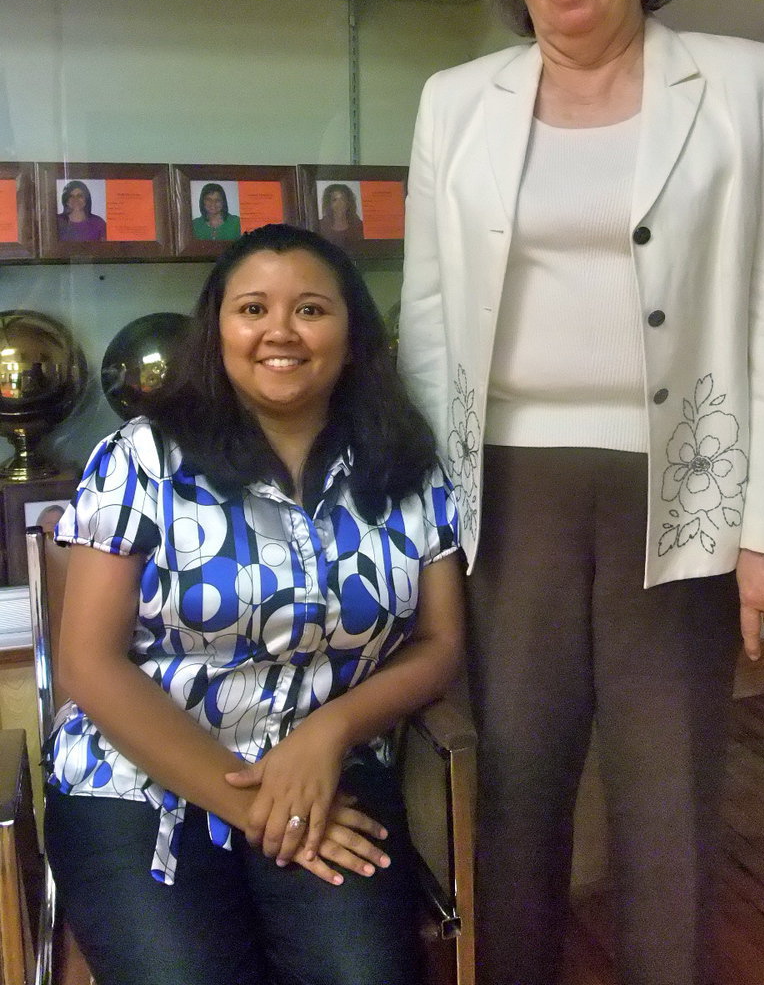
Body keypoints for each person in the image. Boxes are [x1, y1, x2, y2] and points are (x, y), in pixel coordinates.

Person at [398, 0, 764, 985]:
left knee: (667, 787)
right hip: (509, 490)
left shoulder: (746, 86)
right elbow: (431, 320)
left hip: (683, 485)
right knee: (520, 780)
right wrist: (425, 517)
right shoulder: (456, 104)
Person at [44, 223, 463, 985]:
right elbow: (88, 665)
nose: (280, 331)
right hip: (138, 780)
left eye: (309, 309)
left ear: (350, 329)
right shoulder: (144, 459)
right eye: (252, 309)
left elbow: (439, 642)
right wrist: (256, 805)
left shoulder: (404, 462)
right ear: (218, 330)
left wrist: (329, 731)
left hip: (326, 774)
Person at [318, 182, 364, 248]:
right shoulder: (320, 226)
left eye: (343, 199)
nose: (339, 203)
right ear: (329, 204)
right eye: (334, 200)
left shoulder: (359, 226)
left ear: (348, 203)